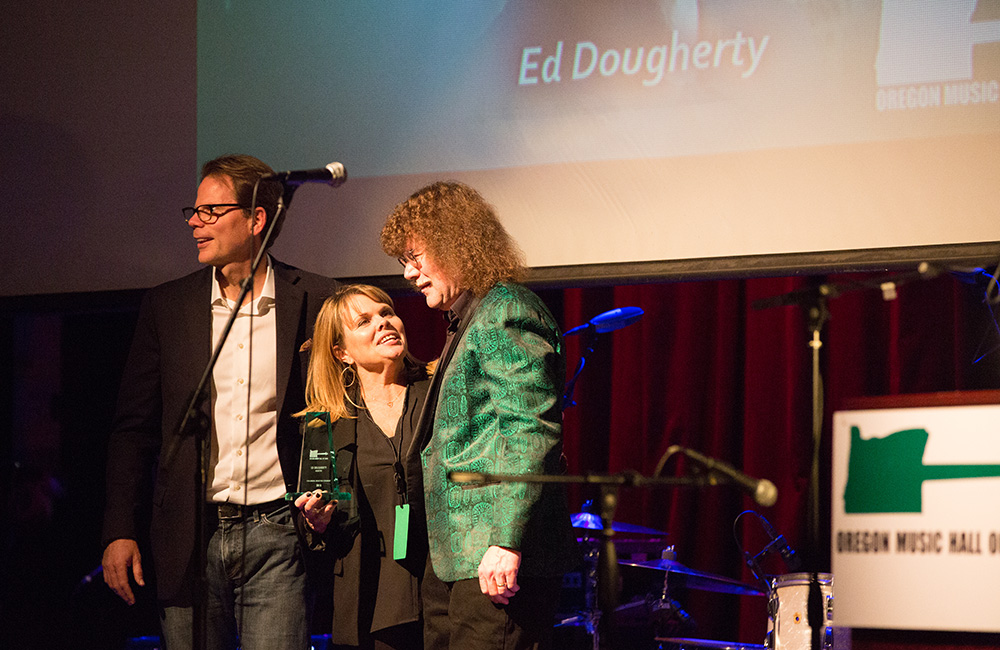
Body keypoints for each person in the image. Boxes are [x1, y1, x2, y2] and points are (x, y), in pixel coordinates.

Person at [101, 154, 338, 649]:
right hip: (191, 533)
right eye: (193, 210)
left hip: (278, 533)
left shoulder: (316, 298)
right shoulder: (168, 306)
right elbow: (133, 428)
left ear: (256, 220)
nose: (194, 222)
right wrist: (119, 529)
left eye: (210, 211)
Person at [379, 181, 577, 650]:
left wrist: (507, 540)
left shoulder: (505, 310)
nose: (408, 273)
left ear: (455, 243)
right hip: (457, 557)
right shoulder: (470, 319)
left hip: (494, 556)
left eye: (415, 256)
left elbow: (530, 431)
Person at [293, 284, 429, 650]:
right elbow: (325, 533)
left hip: (440, 597)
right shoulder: (324, 426)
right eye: (364, 321)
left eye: (387, 313)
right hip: (371, 601)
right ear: (341, 352)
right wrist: (319, 522)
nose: (384, 323)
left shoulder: (436, 395)